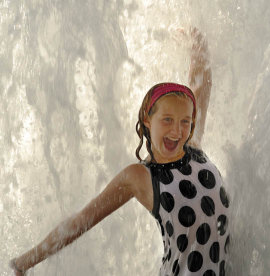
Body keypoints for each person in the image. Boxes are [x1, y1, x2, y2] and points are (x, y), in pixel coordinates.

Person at [10, 28, 230, 276]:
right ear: (148, 120)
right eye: (167, 120)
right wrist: (25, 262)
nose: (177, 132)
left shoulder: (193, 146)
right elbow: (82, 221)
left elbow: (202, 80)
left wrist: (197, 39)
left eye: (185, 122)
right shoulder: (140, 177)